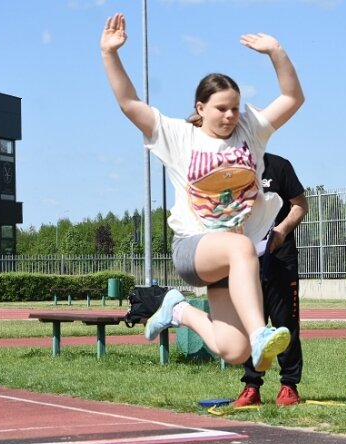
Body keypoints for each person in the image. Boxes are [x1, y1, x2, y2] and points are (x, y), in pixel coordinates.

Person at [101, 13, 305, 369]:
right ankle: (261, 333)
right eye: (221, 109)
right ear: (201, 108)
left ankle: (178, 309)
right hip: (194, 248)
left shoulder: (249, 131)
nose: (230, 116)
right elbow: (129, 104)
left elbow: (292, 97)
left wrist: (276, 51)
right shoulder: (180, 136)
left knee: (234, 350)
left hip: (234, 260)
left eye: (235, 108)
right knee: (241, 248)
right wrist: (110, 54)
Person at [234, 153, 308, 407]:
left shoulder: (279, 166)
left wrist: (281, 231)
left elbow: (300, 205)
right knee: (251, 324)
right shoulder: (229, 170)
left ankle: (289, 385)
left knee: (285, 323)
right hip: (246, 261)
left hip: (280, 259)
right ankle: (251, 386)